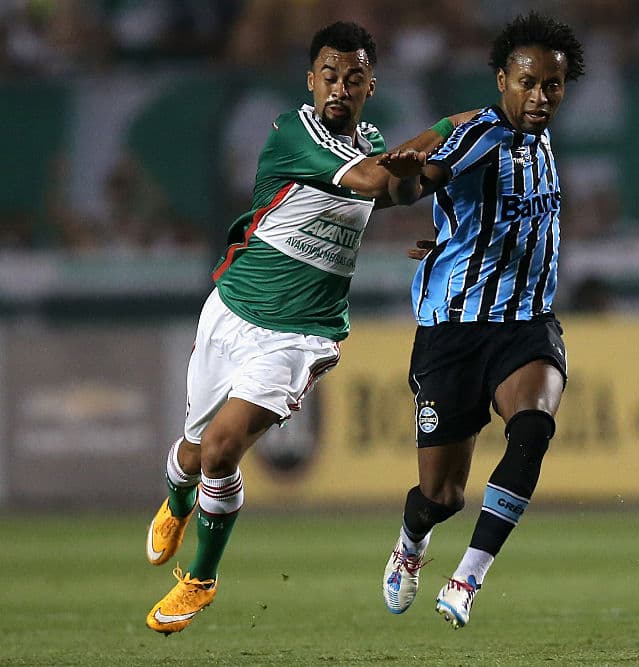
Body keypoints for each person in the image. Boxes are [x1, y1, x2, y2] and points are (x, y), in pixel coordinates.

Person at [144, 20, 475, 635]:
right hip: (233, 311)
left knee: (221, 450)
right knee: (190, 453)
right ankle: (178, 498)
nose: (339, 88)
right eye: (329, 75)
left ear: (371, 85)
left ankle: (201, 579)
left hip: (300, 334)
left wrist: (440, 207)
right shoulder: (294, 133)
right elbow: (382, 180)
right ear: (310, 79)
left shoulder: (372, 140)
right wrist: (448, 127)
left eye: (354, 78)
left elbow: (399, 192)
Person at [378, 11, 585, 629]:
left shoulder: (544, 142)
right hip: (453, 330)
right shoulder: (480, 133)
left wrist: (448, 231)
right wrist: (414, 174)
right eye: (527, 83)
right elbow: (427, 177)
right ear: (502, 81)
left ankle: (467, 578)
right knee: (441, 497)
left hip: (527, 326)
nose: (540, 97)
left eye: (552, 85)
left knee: (533, 429)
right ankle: (411, 542)